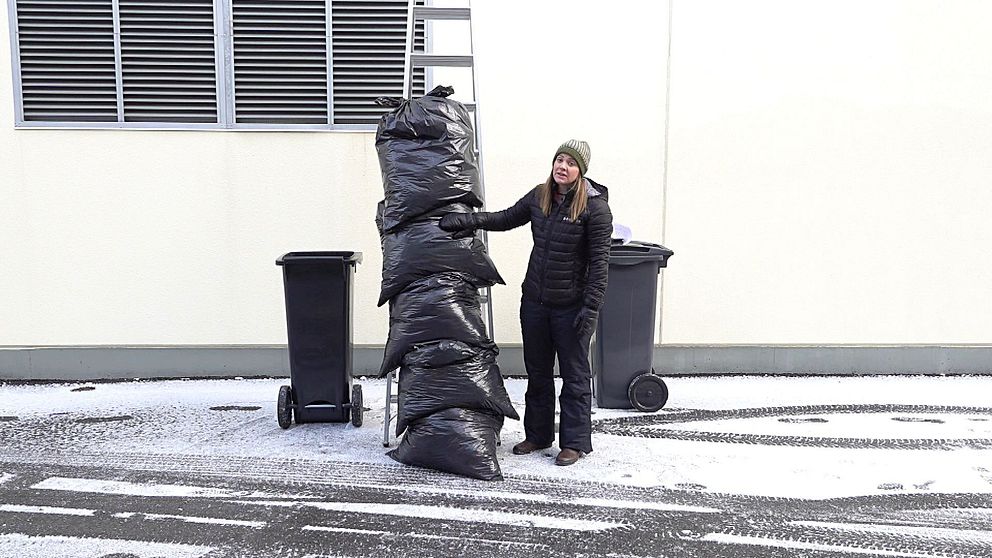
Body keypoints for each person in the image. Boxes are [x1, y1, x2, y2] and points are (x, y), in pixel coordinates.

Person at [439, 140, 613, 466]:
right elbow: (506, 218)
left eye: (570, 163)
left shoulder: (595, 210)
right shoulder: (540, 196)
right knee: (538, 371)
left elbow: (600, 265)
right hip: (535, 302)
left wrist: (591, 309)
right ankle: (537, 435)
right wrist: (469, 221)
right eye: (559, 160)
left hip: (571, 307)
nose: (563, 166)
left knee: (575, 376)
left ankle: (574, 442)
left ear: (581, 170)